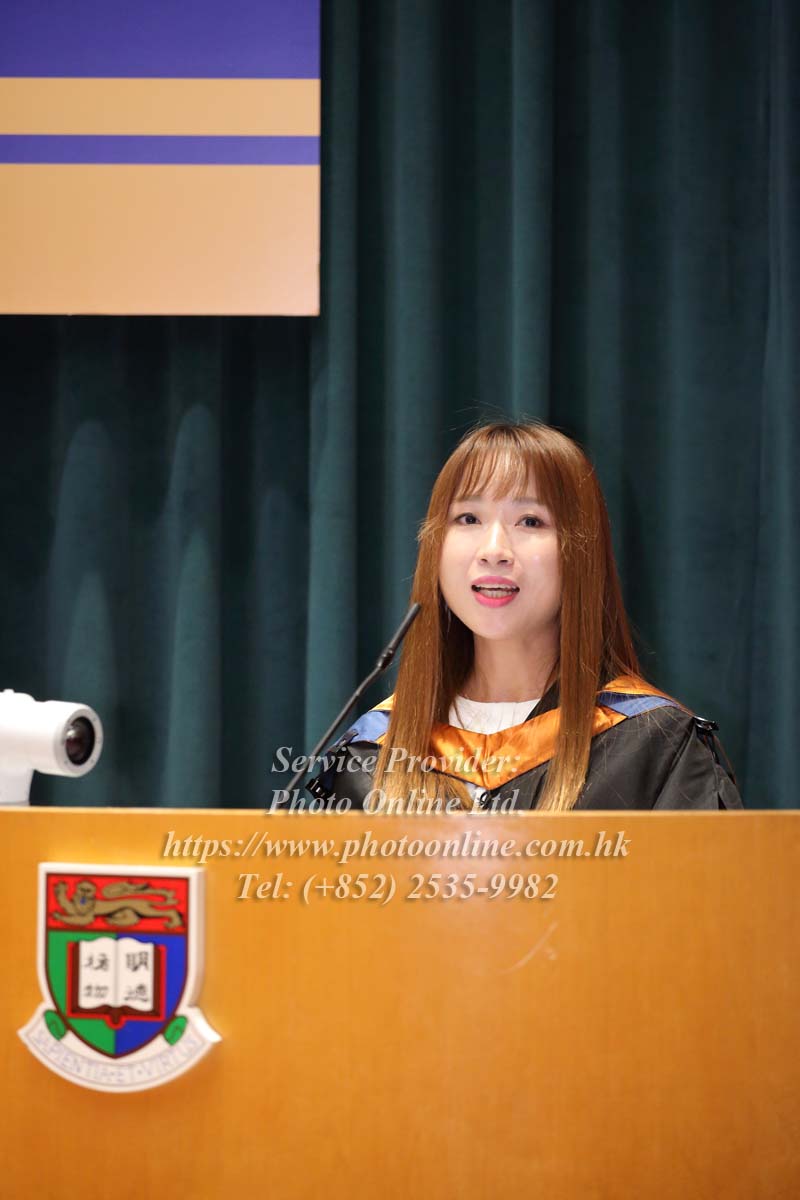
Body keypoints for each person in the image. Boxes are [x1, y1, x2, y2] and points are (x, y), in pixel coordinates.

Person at [308, 421, 742, 813]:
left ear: (580, 553)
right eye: (468, 518)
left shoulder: (653, 746)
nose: (493, 550)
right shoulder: (373, 755)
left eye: (531, 521)